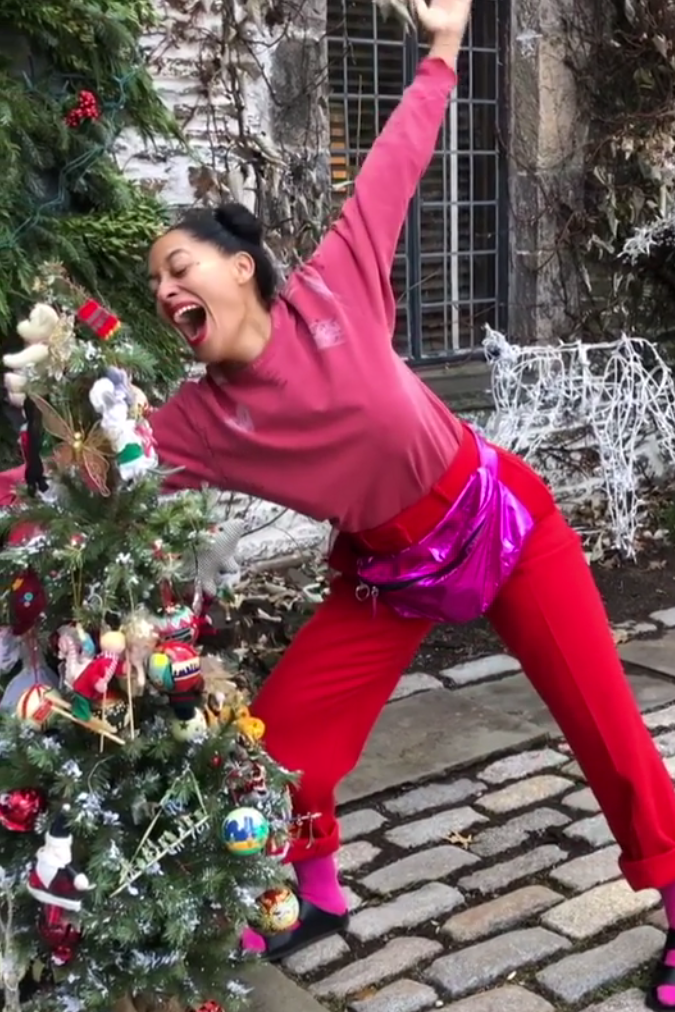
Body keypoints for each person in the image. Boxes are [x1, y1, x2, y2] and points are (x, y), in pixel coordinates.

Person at [1, 0, 674, 1005]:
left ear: (240, 265)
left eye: (178, 266)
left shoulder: (334, 286)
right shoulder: (197, 421)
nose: (166, 290)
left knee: (608, 731)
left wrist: (443, 47)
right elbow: (87, 481)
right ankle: (313, 889)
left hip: (502, 524)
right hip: (392, 572)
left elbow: (397, 158)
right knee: (277, 747)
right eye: (155, 284)